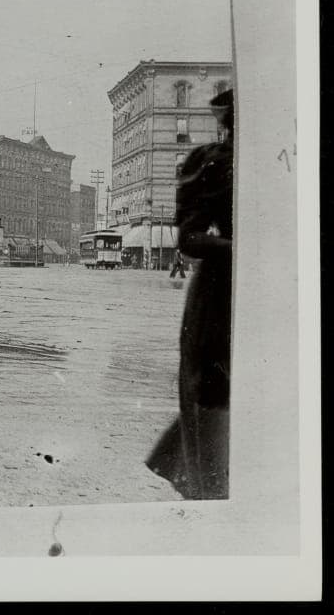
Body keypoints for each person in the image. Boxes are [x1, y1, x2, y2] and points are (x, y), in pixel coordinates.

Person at [147, 89, 233, 500]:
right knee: (214, 398)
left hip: (268, 287)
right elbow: (189, 237)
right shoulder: (213, 162)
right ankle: (208, 493)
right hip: (220, 296)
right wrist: (239, 248)